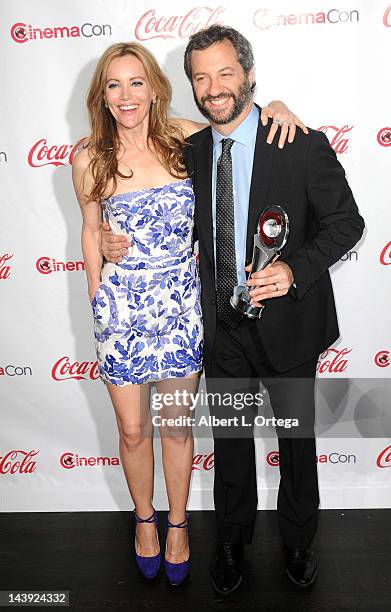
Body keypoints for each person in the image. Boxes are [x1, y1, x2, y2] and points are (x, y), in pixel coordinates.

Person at [72, 41, 306, 587]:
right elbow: (88, 230)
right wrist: (96, 297)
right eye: (114, 85)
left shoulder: (185, 139)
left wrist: (279, 107)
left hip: (180, 306)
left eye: (136, 83)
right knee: (133, 432)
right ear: (102, 96)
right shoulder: (90, 156)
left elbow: (241, 121)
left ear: (154, 87)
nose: (126, 96)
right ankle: (146, 521)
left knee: (176, 428)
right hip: (123, 311)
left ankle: (178, 525)